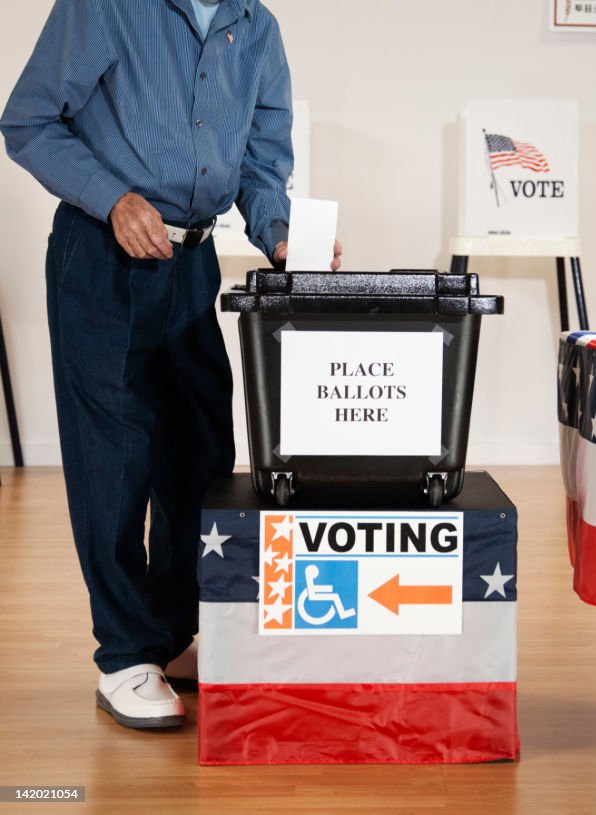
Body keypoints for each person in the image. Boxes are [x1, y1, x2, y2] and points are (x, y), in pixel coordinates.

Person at [1, 0, 341, 729]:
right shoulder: (107, 6)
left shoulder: (257, 29)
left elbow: (261, 163)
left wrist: (282, 236)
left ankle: (173, 635)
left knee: (202, 453)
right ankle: (124, 655)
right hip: (102, 254)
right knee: (115, 460)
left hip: (193, 263)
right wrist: (112, 197)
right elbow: (27, 120)